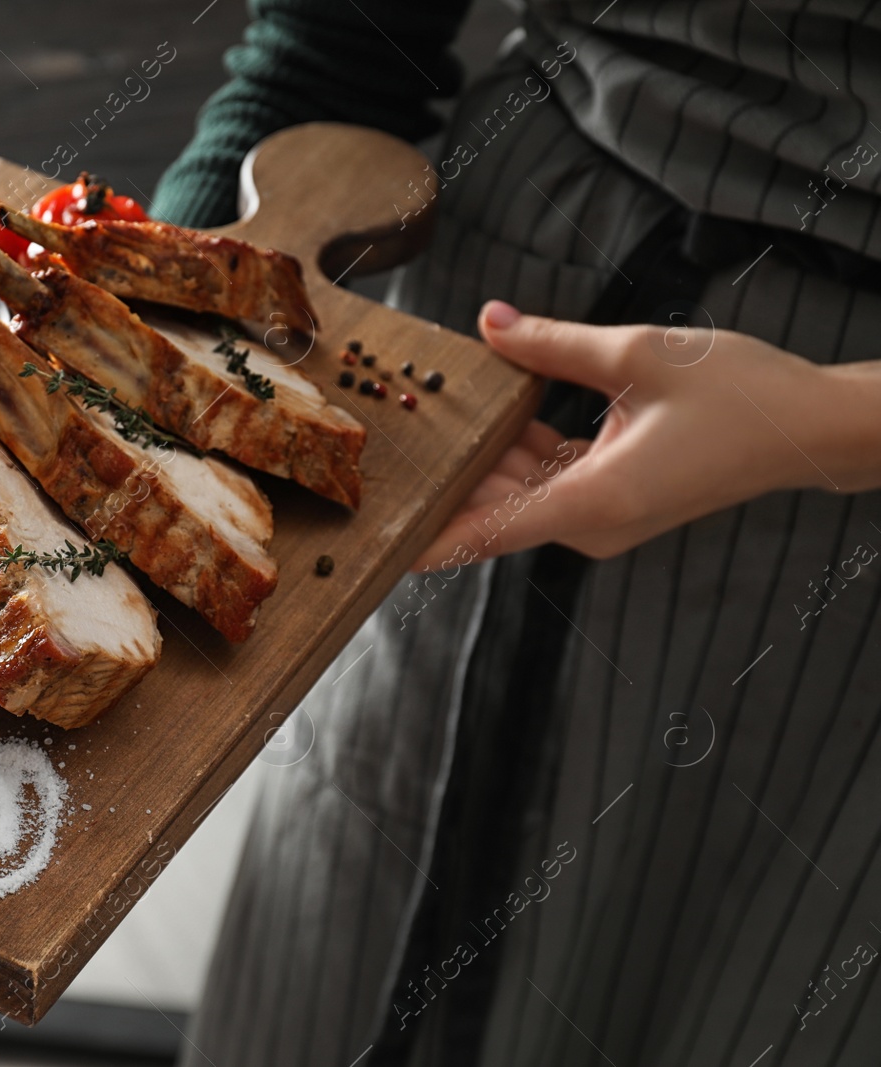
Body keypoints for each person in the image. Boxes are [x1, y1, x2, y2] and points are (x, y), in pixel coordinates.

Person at [150, 1, 881, 1064]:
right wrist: (183, 271)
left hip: (846, 487)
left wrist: (828, 423)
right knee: (346, 918)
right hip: (493, 299)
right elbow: (336, 44)